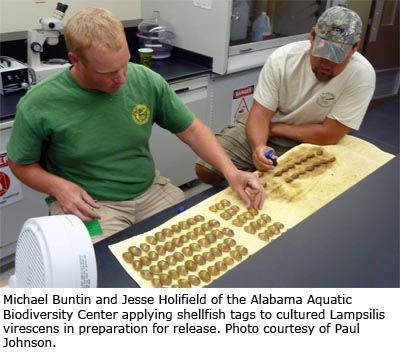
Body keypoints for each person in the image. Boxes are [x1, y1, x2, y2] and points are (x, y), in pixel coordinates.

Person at [6, 7, 264, 241]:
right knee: (100, 269)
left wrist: (231, 172)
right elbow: (20, 163)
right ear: (75, 60)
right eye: (107, 73)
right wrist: (59, 187)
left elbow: (193, 130)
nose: (121, 79)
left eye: (124, 64)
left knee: (198, 241)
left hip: (149, 191)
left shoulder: (145, 80)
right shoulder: (40, 104)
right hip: (92, 204)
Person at [196, 6, 375, 185]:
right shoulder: (283, 58)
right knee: (205, 168)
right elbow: (259, 114)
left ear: (354, 48)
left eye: (336, 57)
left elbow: (329, 134)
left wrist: (275, 129)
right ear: (312, 36)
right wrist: (259, 147)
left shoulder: (361, 75)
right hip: (269, 122)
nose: (326, 64)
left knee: (294, 189)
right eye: (322, 53)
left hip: (312, 138)